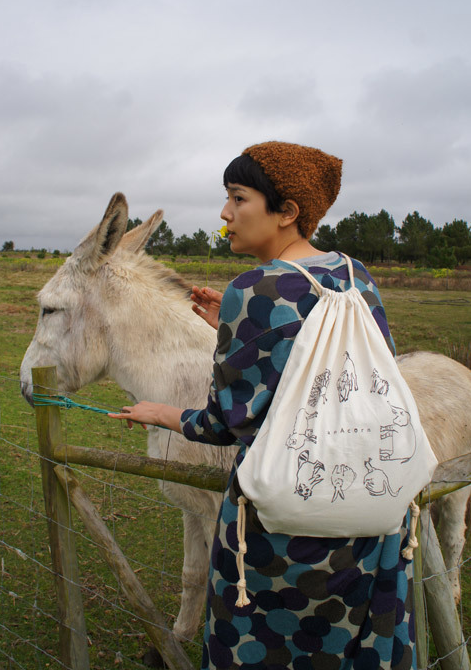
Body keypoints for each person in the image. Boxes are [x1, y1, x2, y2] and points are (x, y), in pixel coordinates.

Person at [109, 142, 414, 670]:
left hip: (284, 535)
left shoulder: (254, 291)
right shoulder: (355, 273)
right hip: (374, 512)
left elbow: (224, 424)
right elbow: (353, 369)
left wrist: (161, 414)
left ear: (287, 211)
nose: (225, 215)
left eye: (237, 198)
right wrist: (232, 333)